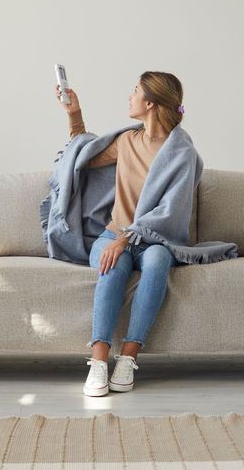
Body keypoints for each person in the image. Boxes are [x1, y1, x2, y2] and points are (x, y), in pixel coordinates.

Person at [54, 72, 186, 397]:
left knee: (156, 261)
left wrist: (126, 239)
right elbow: (82, 156)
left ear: (150, 103)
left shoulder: (182, 152)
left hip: (156, 239)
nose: (130, 97)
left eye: (135, 91)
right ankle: (98, 360)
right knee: (114, 265)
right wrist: (73, 113)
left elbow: (171, 211)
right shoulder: (127, 141)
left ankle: (128, 357)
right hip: (112, 235)